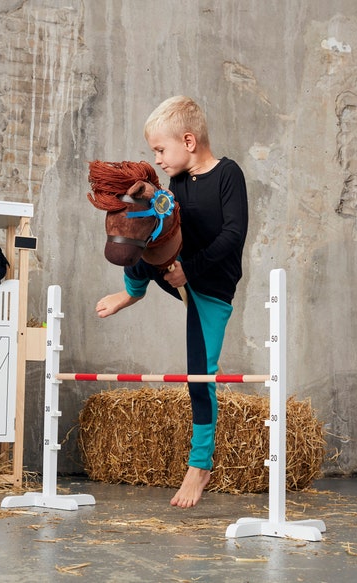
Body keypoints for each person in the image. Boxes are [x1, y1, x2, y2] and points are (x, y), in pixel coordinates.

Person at [95, 96, 249, 508]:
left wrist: (190, 272)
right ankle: (132, 289)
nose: (158, 159)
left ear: (189, 140)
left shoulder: (228, 175)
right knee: (144, 244)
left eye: (161, 150)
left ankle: (200, 466)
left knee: (200, 376)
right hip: (176, 271)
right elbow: (162, 223)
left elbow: (233, 236)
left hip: (210, 288)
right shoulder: (174, 186)